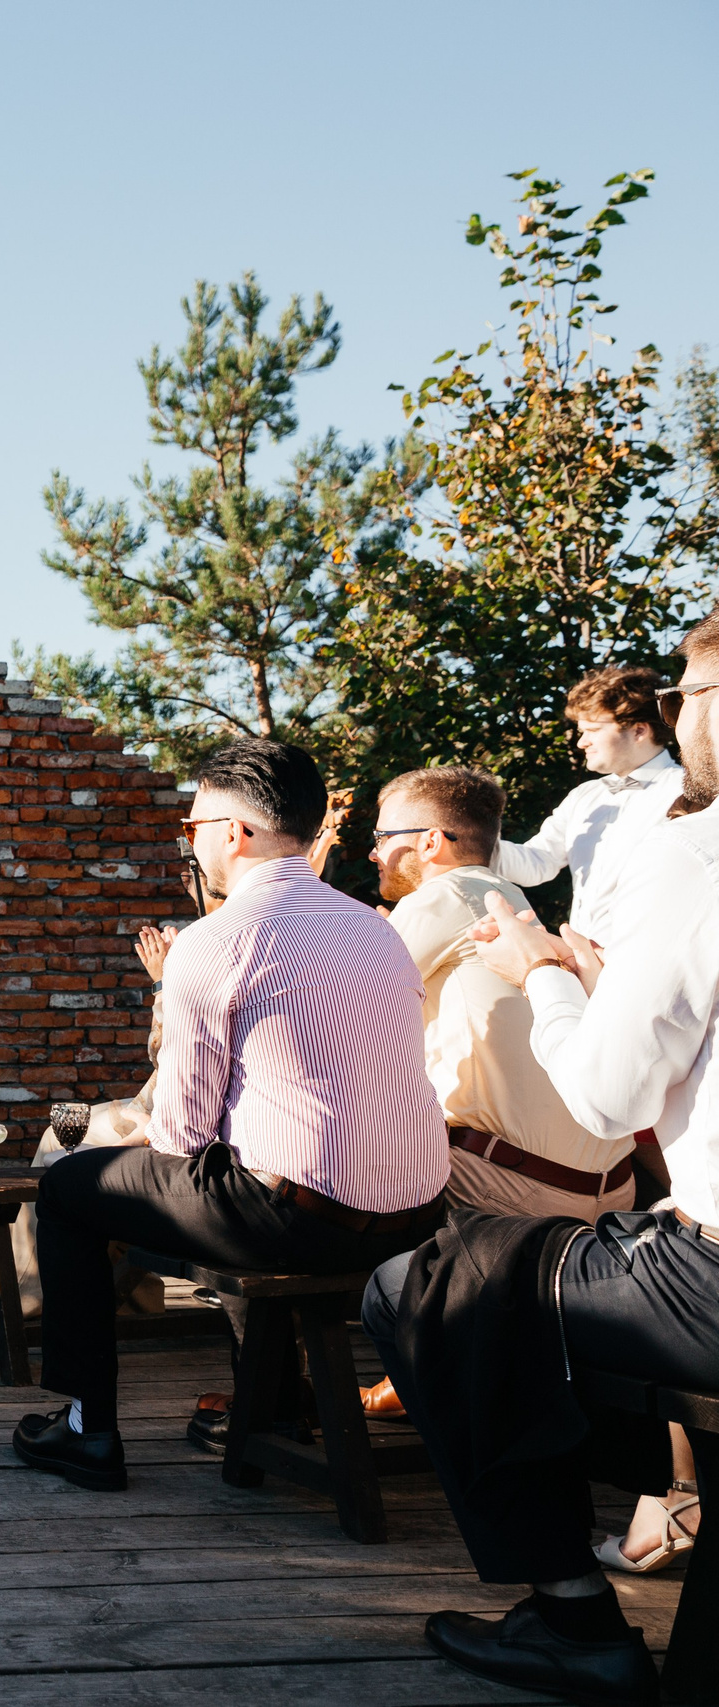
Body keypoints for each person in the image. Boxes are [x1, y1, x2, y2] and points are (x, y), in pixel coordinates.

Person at [367, 634, 719, 1705]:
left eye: (692, 691)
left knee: (424, 1283)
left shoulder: (692, 855)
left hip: (696, 1270)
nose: (677, 712)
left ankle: (570, 1609)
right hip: (624, 1200)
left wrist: (547, 977)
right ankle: (663, 1489)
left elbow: (608, 1091)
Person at [10, 739, 449, 1494]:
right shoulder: (377, 929)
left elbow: (181, 1135)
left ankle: (88, 1427)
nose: (193, 842)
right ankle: (269, 1410)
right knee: (251, 1172)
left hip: (303, 1220)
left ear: (233, 831)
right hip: (417, 1217)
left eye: (191, 827)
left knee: (69, 1190)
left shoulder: (215, 940)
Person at [371, 765, 635, 1221]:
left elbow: (337, 1002)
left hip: (519, 1189)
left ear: (430, 841)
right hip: (611, 1188)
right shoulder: (508, 898)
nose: (373, 852)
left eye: (382, 836)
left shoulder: (447, 894)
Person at [487, 663, 683, 942]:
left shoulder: (688, 793)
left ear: (639, 731)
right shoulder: (583, 797)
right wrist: (473, 837)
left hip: (658, 958)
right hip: (584, 963)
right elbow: (538, 863)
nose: (582, 742)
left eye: (592, 729)